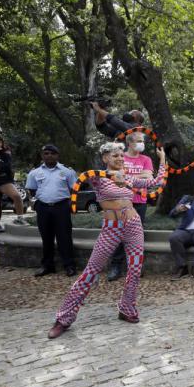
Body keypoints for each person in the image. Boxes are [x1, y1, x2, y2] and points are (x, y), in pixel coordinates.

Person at [47, 143, 166, 339]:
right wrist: (112, 176)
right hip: (111, 228)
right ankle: (63, 318)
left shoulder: (127, 177)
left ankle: (126, 308)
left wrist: (162, 159)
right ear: (105, 159)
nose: (120, 158)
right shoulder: (98, 177)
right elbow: (84, 177)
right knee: (91, 271)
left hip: (134, 224)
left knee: (135, 270)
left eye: (121, 155)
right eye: (115, 155)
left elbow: (157, 182)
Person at [106, 131, 153, 281]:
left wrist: (126, 177)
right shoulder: (120, 157)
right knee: (118, 234)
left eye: (142, 141)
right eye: (139, 140)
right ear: (130, 143)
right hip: (121, 200)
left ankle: (135, 267)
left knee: (136, 235)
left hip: (140, 201)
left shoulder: (146, 159)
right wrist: (137, 177)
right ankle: (115, 266)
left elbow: (149, 177)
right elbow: (113, 176)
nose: (142, 144)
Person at [26, 145, 77, 277]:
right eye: (46, 153)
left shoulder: (67, 172)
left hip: (61, 207)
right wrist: (37, 203)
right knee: (46, 237)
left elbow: (74, 189)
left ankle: (69, 265)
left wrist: (69, 204)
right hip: (43, 207)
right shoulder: (34, 173)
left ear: (57, 155)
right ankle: (47, 265)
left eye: (52, 153)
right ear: (42, 156)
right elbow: (31, 190)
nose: (49, 156)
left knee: (64, 237)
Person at [0, 134, 28, 235]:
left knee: (16, 196)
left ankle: (20, 218)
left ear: (2, 143)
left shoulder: (5, 154)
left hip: (4, 181)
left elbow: (8, 168)